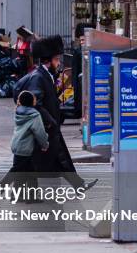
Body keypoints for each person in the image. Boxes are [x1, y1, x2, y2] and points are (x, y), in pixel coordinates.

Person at [22, 35, 97, 191]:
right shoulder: (38, 77)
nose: (59, 63)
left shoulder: (46, 75)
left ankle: (78, 185)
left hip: (50, 127)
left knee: (62, 158)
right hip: (43, 128)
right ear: (48, 61)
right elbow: (37, 103)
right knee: (30, 163)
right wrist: (50, 120)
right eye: (56, 60)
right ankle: (17, 193)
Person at [0, 91, 49, 206]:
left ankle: (28, 196)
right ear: (32, 101)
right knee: (14, 173)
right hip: (25, 147)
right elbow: (40, 132)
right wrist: (45, 144)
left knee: (30, 171)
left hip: (18, 144)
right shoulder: (34, 115)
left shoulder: (18, 111)